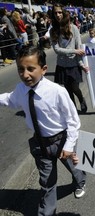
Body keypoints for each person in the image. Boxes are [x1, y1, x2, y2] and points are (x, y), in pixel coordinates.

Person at [0, 46, 86, 215]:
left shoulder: (57, 92)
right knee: (47, 182)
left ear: (44, 69)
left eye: (30, 69)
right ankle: (47, 212)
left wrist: (69, 145)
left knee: (74, 167)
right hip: (40, 145)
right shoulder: (21, 90)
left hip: (61, 140)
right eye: (21, 69)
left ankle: (80, 181)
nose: (25, 75)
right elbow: (10, 99)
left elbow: (73, 121)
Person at [50, 4, 89, 113]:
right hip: (62, 65)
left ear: (63, 13)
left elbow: (79, 47)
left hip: (74, 64)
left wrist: (81, 65)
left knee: (75, 88)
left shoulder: (73, 28)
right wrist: (74, 51)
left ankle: (81, 99)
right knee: (68, 91)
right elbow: (57, 50)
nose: (58, 15)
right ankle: (73, 109)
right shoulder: (53, 30)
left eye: (60, 12)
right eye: (55, 13)